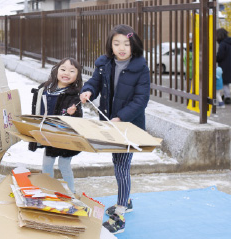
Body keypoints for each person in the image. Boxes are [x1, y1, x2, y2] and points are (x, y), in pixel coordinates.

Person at [79, 24, 150, 234]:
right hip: (110, 124)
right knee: (117, 163)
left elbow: (141, 100)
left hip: (129, 126)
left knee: (121, 166)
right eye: (116, 43)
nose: (121, 48)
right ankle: (125, 201)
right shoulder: (104, 63)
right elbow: (95, 82)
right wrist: (88, 92)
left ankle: (119, 214)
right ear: (111, 44)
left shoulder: (140, 67)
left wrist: (121, 117)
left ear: (133, 45)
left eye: (126, 44)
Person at [28, 57, 83, 194]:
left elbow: (78, 119)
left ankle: (71, 192)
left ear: (77, 76)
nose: (66, 73)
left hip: (65, 137)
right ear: (56, 71)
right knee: (47, 164)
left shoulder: (74, 95)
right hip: (49, 135)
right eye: (63, 69)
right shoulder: (47, 88)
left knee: (64, 165)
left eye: (71, 71)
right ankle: (48, 190)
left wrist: (73, 112)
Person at [216, 28, 231, 104]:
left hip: (225, 66)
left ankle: (227, 97)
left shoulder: (223, 44)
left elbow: (220, 56)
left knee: (225, 82)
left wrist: (215, 58)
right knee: (228, 81)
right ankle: (226, 95)